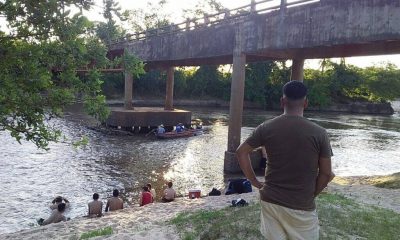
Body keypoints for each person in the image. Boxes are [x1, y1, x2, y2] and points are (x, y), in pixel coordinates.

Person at [236, 80, 335, 240]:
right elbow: (326, 173)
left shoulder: (266, 127)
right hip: (302, 205)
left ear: (282, 101)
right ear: (306, 103)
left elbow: (241, 152)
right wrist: (312, 194)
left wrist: (255, 182)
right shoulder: (320, 133)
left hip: (270, 201)